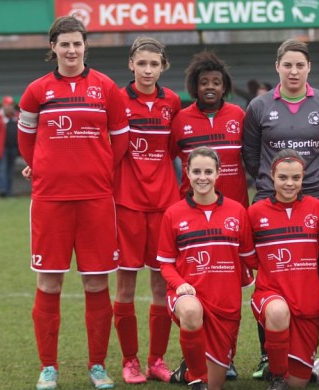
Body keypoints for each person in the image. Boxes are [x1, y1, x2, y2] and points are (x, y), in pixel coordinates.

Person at [17, 16, 129, 390]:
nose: (71, 50)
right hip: (50, 200)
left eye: (77, 43)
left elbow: (120, 141)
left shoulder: (107, 88)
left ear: (86, 46)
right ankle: (48, 367)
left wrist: (96, 171)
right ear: (53, 47)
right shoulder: (36, 91)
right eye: (63, 44)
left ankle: (97, 366)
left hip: (96, 199)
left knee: (97, 284)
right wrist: (45, 169)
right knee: (49, 283)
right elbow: (25, 141)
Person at [243, 38, 319, 378]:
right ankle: (265, 356)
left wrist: (318, 185)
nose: (293, 71)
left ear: (309, 68)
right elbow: (252, 155)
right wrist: (271, 185)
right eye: (287, 65)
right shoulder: (259, 107)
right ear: (278, 67)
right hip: (270, 202)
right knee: (272, 280)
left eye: (299, 65)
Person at [157, 147, 257, 390]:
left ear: (218, 173)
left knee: (217, 385)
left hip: (226, 303)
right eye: (197, 171)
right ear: (188, 174)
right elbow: (166, 264)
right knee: (191, 312)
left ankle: (186, 372)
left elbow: (251, 259)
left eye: (208, 171)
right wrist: (181, 285)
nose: (203, 177)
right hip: (189, 296)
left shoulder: (237, 211)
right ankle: (196, 378)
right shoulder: (173, 214)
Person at [112, 36, 181, 384]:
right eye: (142, 63)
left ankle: (156, 359)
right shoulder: (117, 100)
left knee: (160, 286)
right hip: (126, 204)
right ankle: (130, 361)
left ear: (163, 67)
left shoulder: (172, 102)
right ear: (131, 65)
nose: (148, 70)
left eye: (155, 64)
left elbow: (173, 149)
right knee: (125, 287)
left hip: (164, 205)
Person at [248, 149, 319, 390]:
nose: (289, 183)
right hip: (270, 293)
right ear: (271, 177)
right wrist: (268, 264)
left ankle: (318, 366)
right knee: (276, 311)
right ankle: (276, 377)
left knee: (298, 384)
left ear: (303, 178)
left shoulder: (317, 208)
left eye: (296, 178)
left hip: (307, 301)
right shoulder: (255, 212)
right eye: (283, 177)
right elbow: (245, 250)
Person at [171, 51, 249, 209]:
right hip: (193, 207)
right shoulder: (180, 119)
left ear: (224, 86)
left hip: (235, 206)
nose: (210, 87)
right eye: (204, 82)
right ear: (195, 86)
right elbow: (168, 158)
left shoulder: (238, 115)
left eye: (216, 82)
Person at [0, 95, 20, 197]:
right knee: (3, 169)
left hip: (14, 148)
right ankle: (3, 191)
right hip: (2, 148)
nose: (9, 107)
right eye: (7, 105)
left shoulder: (17, 116)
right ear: (3, 105)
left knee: (11, 170)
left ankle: (9, 190)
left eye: (10, 105)